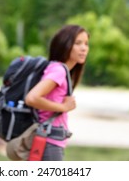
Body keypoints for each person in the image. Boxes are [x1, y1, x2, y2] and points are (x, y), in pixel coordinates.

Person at [24, 24, 90, 161]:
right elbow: (32, 98)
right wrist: (64, 107)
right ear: (65, 44)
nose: (84, 48)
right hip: (49, 141)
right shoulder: (59, 71)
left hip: (51, 139)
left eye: (86, 43)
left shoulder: (60, 69)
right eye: (78, 43)